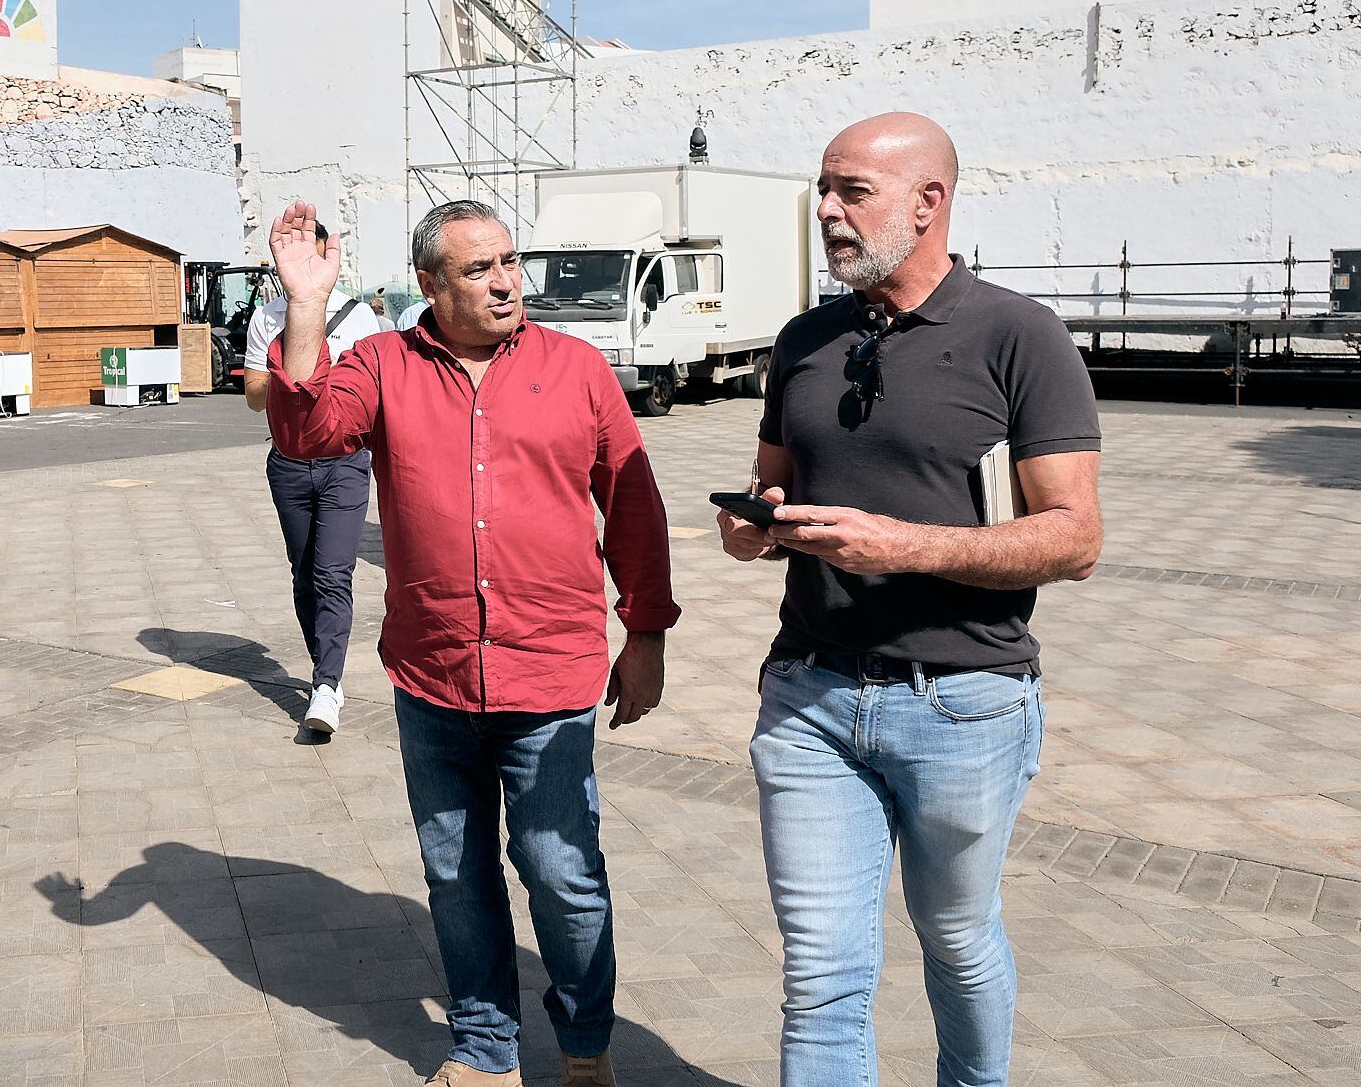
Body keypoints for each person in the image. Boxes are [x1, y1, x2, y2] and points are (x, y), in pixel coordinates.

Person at [717, 112, 1103, 1087]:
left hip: (963, 703)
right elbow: (767, 484)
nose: (825, 211)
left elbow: (1073, 536)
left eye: (851, 190)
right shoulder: (804, 340)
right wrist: (753, 525)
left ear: (927, 202)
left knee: (957, 943)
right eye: (821, 188)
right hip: (807, 700)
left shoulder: (1019, 335)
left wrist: (904, 546)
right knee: (820, 975)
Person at [263, 197, 678, 1087]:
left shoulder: (575, 368)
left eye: (508, 262)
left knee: (562, 873)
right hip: (434, 672)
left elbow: (633, 505)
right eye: (478, 268)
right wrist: (305, 303)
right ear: (429, 283)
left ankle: (584, 1047)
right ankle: (486, 1048)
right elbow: (305, 430)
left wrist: (646, 631)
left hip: (550, 668)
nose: (504, 282)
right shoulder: (380, 363)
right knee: (455, 874)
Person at [243, 220, 382, 734]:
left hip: (345, 462)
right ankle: (328, 669)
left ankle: (326, 687)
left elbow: (373, 391)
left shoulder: (359, 316)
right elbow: (255, 397)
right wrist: (288, 369)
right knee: (305, 576)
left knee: (332, 573)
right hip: (287, 464)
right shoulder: (267, 317)